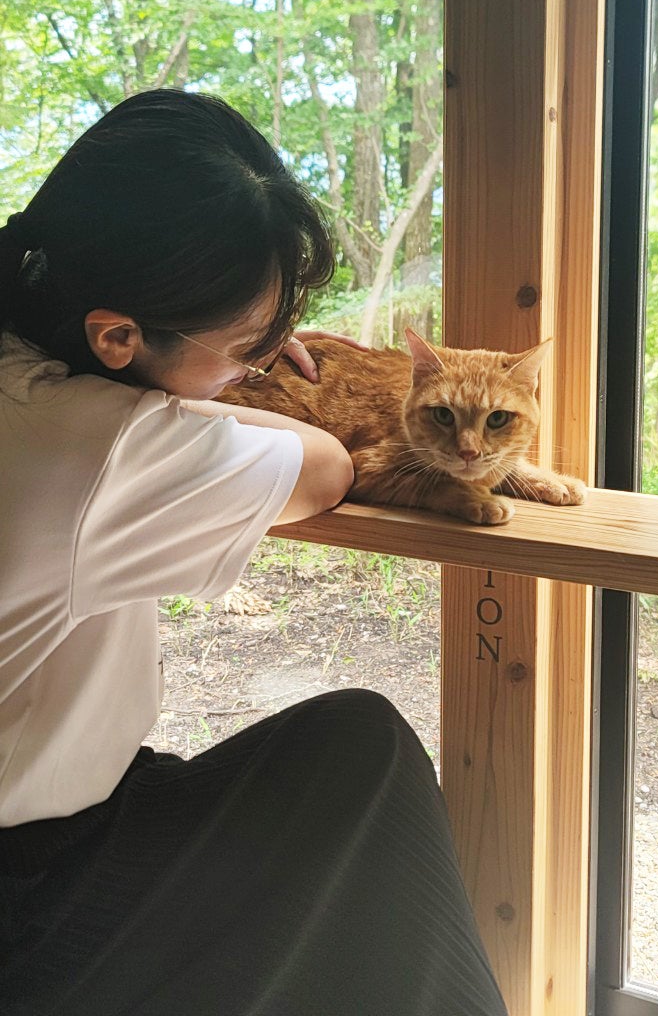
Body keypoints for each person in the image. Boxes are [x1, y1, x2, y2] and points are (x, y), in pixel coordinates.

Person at [0, 89, 508, 1016]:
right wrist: (200, 405)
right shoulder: (91, 444)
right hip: (32, 895)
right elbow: (322, 469)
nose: (267, 364)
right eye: (250, 346)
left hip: (63, 816)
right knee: (364, 758)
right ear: (114, 336)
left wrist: (207, 368)